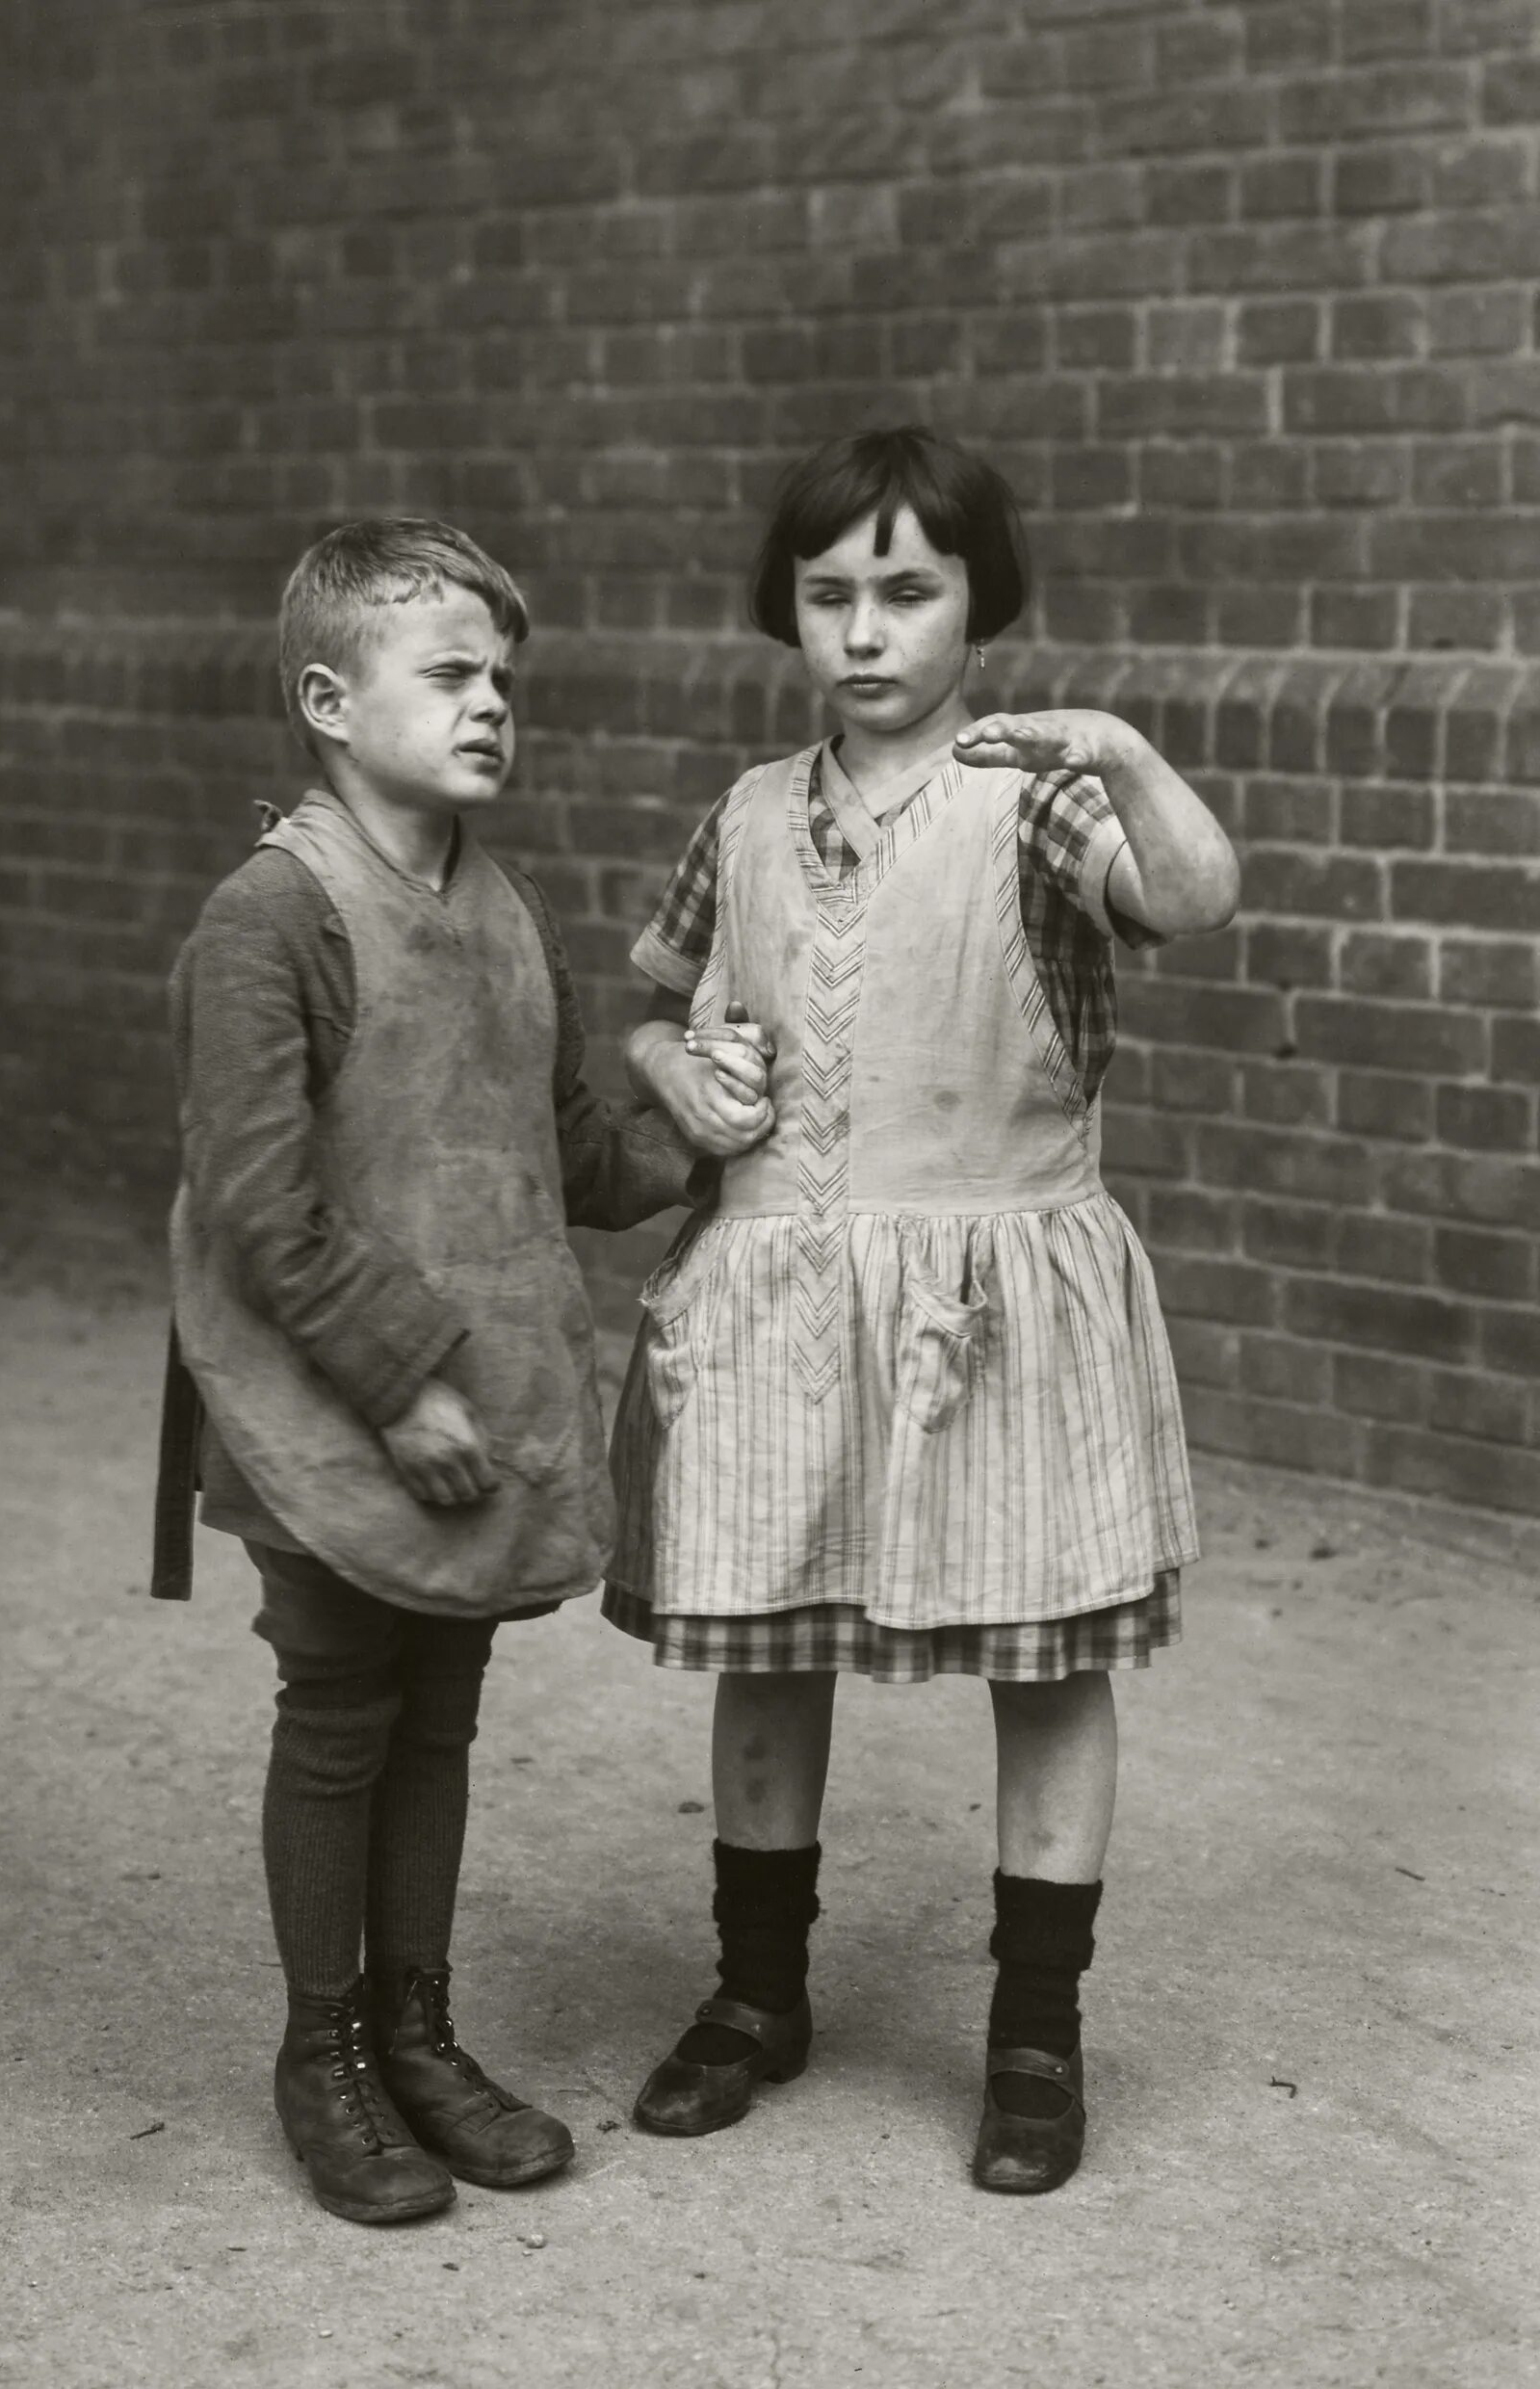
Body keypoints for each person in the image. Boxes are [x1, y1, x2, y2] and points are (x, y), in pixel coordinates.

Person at [606, 425, 1240, 2193]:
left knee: (1045, 1661)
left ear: (979, 602)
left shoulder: (1035, 790)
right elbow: (658, 1011)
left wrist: (1123, 753)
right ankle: (756, 2000)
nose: (866, 631)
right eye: (831, 595)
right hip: (780, 1297)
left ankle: (1036, 2033)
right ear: (788, 611)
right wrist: (679, 1066)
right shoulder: (740, 813)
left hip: (994, 1287)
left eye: (908, 590)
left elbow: (1190, 899)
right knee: (767, 1645)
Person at [150, 517, 757, 2225]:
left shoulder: (502, 907)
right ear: (333, 701)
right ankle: (322, 2052)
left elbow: (561, 1151)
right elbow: (257, 1207)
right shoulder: (272, 917)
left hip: (478, 1409)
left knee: (443, 1714)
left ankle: (419, 2033)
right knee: (342, 1712)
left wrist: (703, 1140)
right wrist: (402, 1384)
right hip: (332, 1409)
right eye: (453, 674)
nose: (494, 703)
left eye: (507, 677)